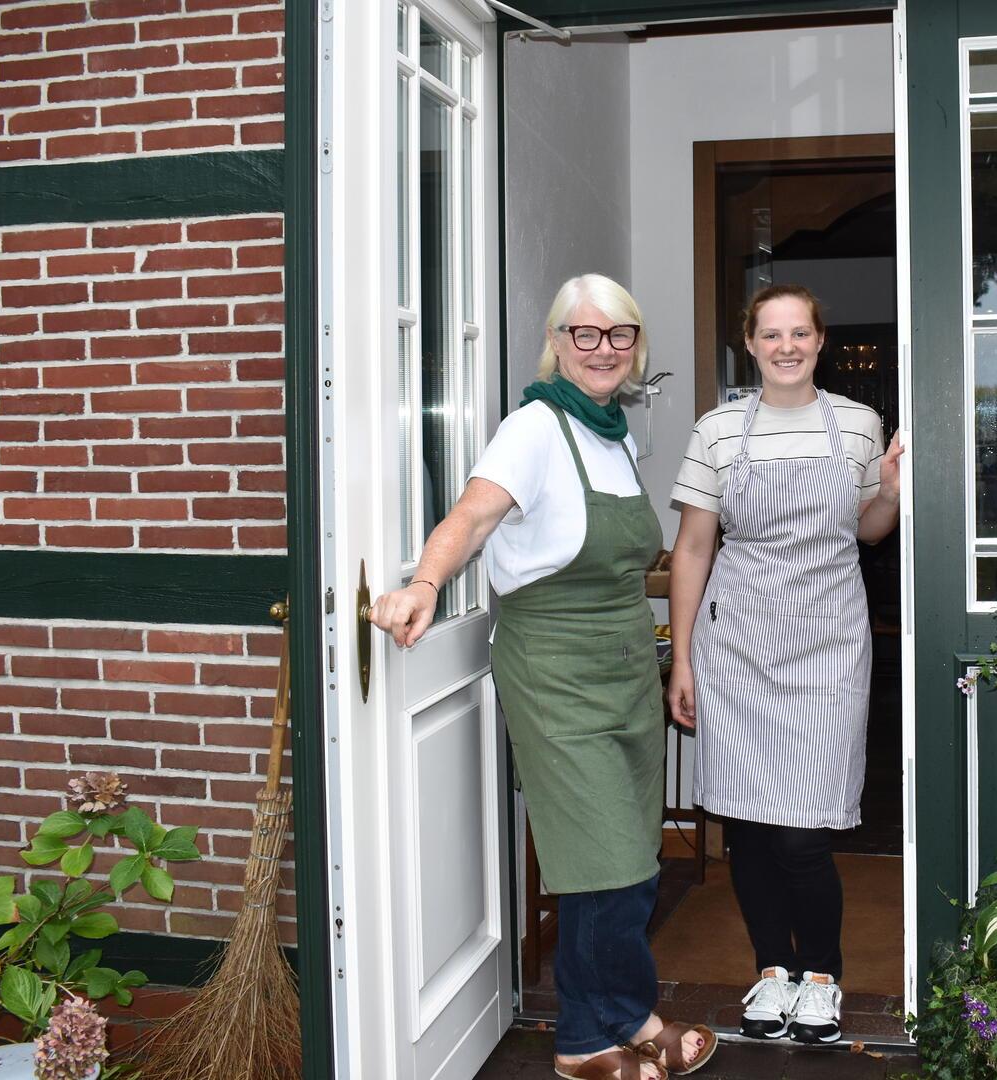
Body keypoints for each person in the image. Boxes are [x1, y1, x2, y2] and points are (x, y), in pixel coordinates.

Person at [370, 274, 715, 1080]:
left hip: (626, 661)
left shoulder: (616, 435)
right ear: (558, 343)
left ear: (637, 347)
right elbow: (472, 516)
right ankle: (583, 1043)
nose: (602, 350)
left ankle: (627, 1016)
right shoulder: (533, 426)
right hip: (556, 666)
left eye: (618, 335)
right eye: (584, 334)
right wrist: (424, 584)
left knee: (634, 856)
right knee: (600, 860)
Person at [665, 283, 903, 1045]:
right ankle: (772, 971)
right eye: (772, 334)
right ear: (750, 342)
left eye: (799, 332)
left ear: (820, 340)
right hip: (736, 642)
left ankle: (823, 975)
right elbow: (695, 548)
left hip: (828, 641)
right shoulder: (719, 430)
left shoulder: (860, 425)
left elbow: (867, 531)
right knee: (752, 827)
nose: (787, 346)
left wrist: (893, 492)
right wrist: (683, 659)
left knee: (804, 830)